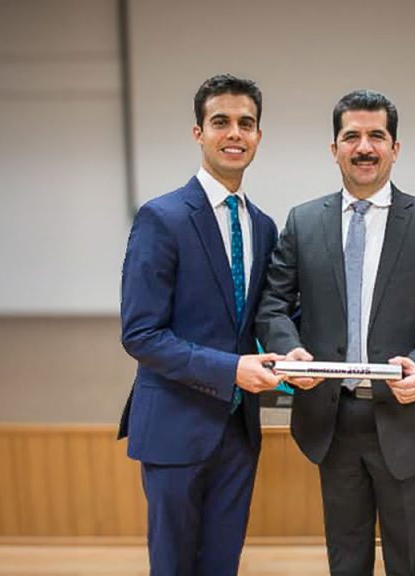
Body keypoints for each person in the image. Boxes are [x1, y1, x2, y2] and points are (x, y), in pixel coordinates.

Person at [256, 89, 415, 576]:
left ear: (396, 148)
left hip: (407, 419)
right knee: (346, 559)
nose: (364, 146)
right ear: (334, 149)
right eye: (351, 136)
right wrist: (290, 351)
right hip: (332, 421)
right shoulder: (303, 221)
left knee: (412, 561)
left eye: (377, 135)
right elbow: (273, 305)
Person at [117, 74, 284, 576]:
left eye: (246, 124)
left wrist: (294, 349)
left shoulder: (262, 225)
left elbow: (262, 318)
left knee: (222, 564)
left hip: (238, 431)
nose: (235, 133)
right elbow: (140, 334)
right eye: (221, 122)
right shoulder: (161, 218)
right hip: (174, 425)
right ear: (198, 133)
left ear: (258, 136)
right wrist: (232, 369)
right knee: (173, 565)